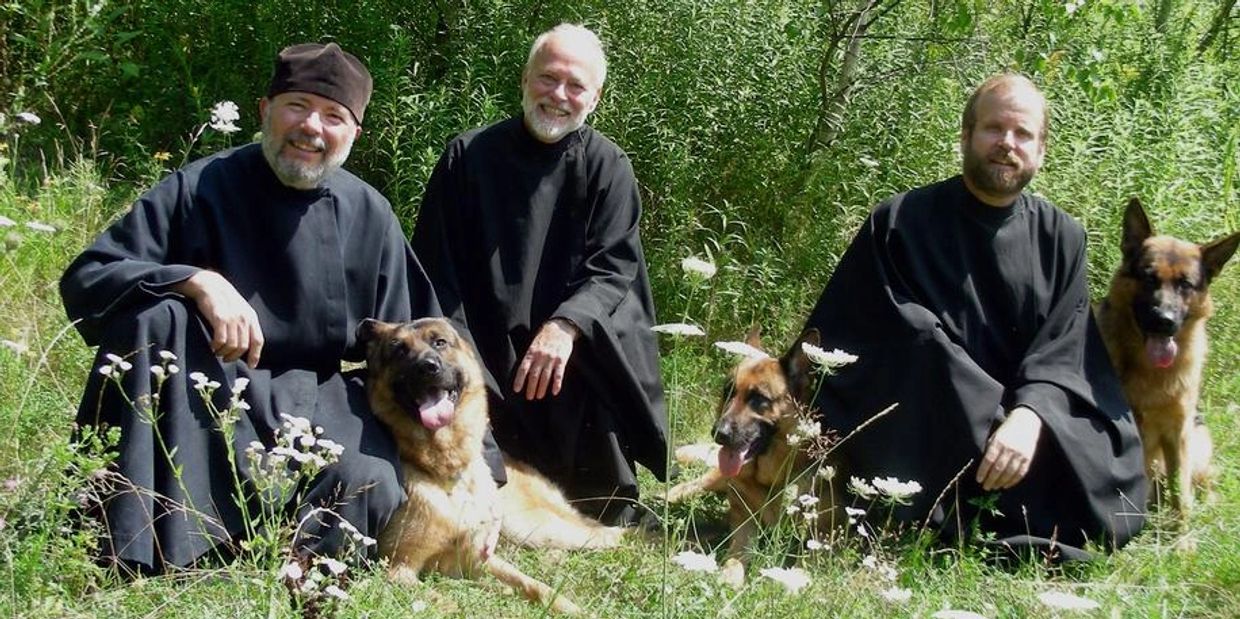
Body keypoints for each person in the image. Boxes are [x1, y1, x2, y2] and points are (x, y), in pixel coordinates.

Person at [60, 43, 439, 574]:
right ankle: (140, 547)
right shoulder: (200, 185)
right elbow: (89, 277)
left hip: (321, 394)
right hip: (209, 379)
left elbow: (428, 340)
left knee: (366, 479)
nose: (312, 127)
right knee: (155, 316)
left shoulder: (369, 212)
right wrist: (194, 280)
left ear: (354, 133)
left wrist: (484, 472)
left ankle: (289, 565)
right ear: (264, 110)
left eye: (333, 116)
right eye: (297, 105)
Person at [802, 74, 1147, 559]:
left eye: (1023, 134)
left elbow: (1065, 349)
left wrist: (1031, 415)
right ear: (965, 136)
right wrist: (988, 414)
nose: (1007, 144)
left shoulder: (1062, 238)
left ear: (1041, 150)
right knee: (921, 348)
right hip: (929, 420)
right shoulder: (899, 222)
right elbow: (870, 341)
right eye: (994, 129)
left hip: (1023, 415)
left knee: (1107, 458)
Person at [411, 24, 668, 526]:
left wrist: (566, 326)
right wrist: (461, 356)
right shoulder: (467, 156)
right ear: (525, 79)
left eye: (576, 86)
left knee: (596, 501)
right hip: (482, 343)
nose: (559, 96)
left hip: (568, 356)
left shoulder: (609, 167)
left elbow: (614, 266)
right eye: (548, 79)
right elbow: (435, 268)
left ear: (595, 96)